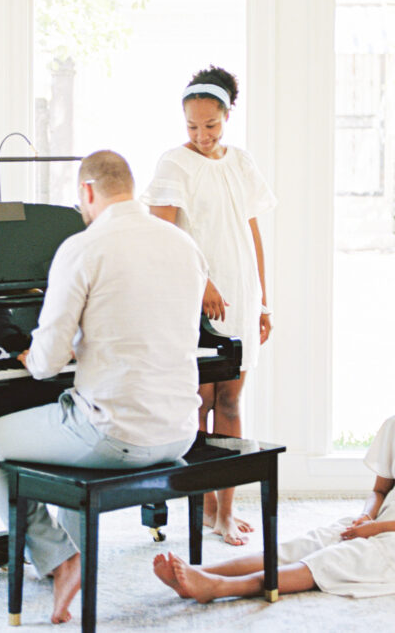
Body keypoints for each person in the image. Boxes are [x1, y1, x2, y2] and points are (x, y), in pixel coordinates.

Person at [0, 150, 207, 625]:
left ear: (87, 192)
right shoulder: (183, 244)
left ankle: (59, 558)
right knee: (69, 422)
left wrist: (35, 352)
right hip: (180, 429)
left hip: (116, 436)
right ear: (130, 188)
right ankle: (67, 550)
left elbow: (45, 364)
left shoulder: (83, 247)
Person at [153, 347, 395, 602]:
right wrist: (367, 515)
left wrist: (379, 528)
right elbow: (380, 491)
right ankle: (205, 573)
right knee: (309, 543)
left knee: (337, 558)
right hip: (385, 516)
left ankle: (219, 588)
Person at [140, 65, 276, 546]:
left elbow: (252, 231)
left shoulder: (241, 162)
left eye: (210, 126)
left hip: (241, 294)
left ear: (227, 116)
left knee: (233, 400)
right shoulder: (173, 163)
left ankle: (225, 512)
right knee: (199, 402)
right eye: (192, 126)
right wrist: (203, 284)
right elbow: (165, 233)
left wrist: (263, 300)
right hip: (193, 298)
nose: (200, 135)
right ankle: (199, 514)